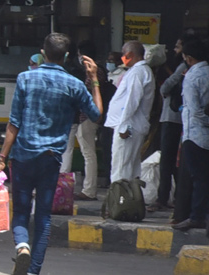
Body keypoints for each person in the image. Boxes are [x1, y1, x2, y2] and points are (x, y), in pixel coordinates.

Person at [0, 33, 103, 275]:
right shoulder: (74, 84)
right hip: (51, 158)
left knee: (20, 212)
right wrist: (95, 80)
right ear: (65, 57)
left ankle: (22, 247)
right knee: (42, 218)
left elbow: (14, 123)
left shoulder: (25, 78)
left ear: (43, 53)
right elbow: (97, 115)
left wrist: (1, 159)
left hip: (22, 156)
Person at [103, 40, 155, 184]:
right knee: (128, 168)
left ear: (131, 54)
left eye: (124, 54)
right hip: (132, 126)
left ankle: (120, 202)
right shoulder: (139, 71)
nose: (122, 58)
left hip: (128, 128)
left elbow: (132, 101)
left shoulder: (138, 72)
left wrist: (124, 125)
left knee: (121, 169)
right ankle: (126, 202)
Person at [171, 36, 209, 232]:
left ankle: (196, 216)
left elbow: (194, 111)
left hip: (195, 134)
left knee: (199, 178)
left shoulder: (192, 77)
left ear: (188, 57)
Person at [155, 32, 194, 212]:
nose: (174, 50)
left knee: (168, 160)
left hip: (172, 117)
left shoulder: (183, 66)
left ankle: (163, 198)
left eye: (178, 47)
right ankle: (177, 197)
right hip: (183, 118)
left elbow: (167, 86)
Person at [62, 42, 102, 202]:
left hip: (86, 118)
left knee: (84, 153)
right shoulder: (83, 72)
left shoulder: (94, 72)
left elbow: (90, 100)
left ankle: (88, 189)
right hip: (82, 118)